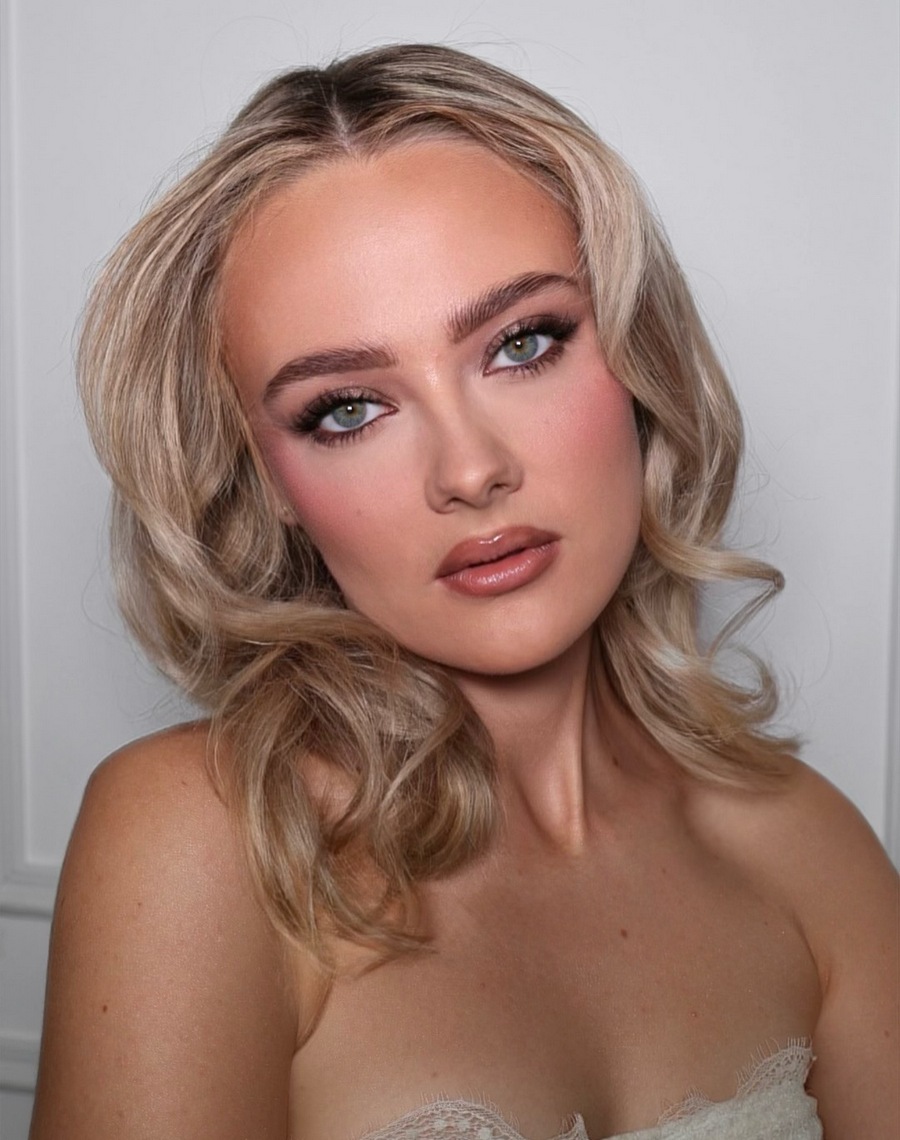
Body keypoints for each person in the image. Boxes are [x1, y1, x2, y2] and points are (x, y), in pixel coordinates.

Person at [29, 43, 898, 1140]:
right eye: (348, 409)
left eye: (522, 344)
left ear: (638, 357)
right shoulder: (204, 840)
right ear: (268, 480)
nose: (471, 470)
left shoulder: (803, 844)